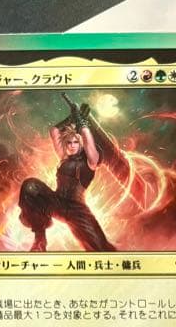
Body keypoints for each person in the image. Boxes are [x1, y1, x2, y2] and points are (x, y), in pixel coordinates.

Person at [18, 94, 128, 252]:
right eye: (69, 142)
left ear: (81, 143)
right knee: (30, 186)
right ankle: (40, 240)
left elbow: (88, 142)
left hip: (77, 211)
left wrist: (82, 122)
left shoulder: (91, 160)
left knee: (101, 249)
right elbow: (54, 131)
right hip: (58, 202)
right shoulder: (64, 157)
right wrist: (72, 117)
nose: (71, 145)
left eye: (76, 142)